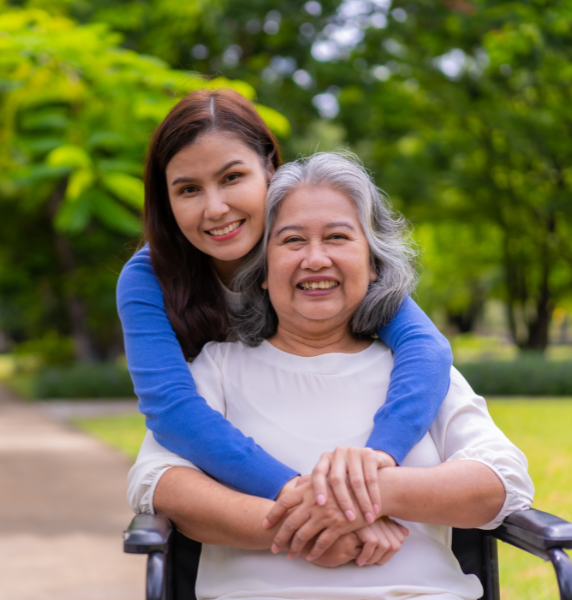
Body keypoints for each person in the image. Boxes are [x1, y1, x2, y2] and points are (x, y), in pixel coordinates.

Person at [127, 152, 534, 599]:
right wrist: (315, 528)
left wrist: (374, 489)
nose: (315, 258)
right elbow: (160, 481)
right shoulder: (218, 368)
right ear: (262, 272)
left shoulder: (417, 374)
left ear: (373, 262)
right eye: (292, 241)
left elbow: (503, 481)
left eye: (338, 237)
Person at [116, 88, 454, 540]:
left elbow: (425, 347)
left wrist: (374, 465)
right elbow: (173, 411)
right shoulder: (148, 279)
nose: (215, 208)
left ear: (270, 171)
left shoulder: (318, 258)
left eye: (232, 177)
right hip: (233, 493)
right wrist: (311, 501)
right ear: (167, 201)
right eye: (189, 189)